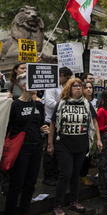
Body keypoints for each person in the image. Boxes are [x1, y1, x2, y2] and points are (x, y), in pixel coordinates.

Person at [47, 78, 103, 215]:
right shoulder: (61, 104)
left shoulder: (86, 104)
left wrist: (98, 140)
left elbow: (94, 122)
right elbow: (53, 124)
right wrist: (49, 144)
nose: (78, 88)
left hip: (81, 145)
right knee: (65, 173)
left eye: (80, 86)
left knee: (75, 174)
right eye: (75, 86)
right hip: (63, 144)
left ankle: (74, 201)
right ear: (69, 88)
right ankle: (58, 205)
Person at [5, 73, 49, 215]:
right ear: (24, 86)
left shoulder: (38, 105)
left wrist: (43, 129)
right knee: (16, 184)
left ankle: (24, 211)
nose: (37, 85)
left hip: (36, 148)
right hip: (21, 149)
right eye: (33, 83)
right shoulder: (14, 105)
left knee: (30, 184)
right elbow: (8, 127)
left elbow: (39, 124)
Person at [43, 66, 73, 186]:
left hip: (60, 122)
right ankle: (48, 175)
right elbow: (49, 103)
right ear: (61, 75)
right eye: (66, 78)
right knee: (50, 149)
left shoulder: (61, 87)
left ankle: (55, 172)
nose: (67, 80)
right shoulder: (51, 86)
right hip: (51, 122)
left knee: (57, 149)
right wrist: (64, 104)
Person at [79, 81, 98, 186]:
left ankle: (83, 175)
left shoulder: (97, 101)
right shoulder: (80, 101)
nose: (88, 89)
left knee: (88, 154)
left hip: (92, 132)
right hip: (82, 132)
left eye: (90, 87)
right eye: (86, 87)